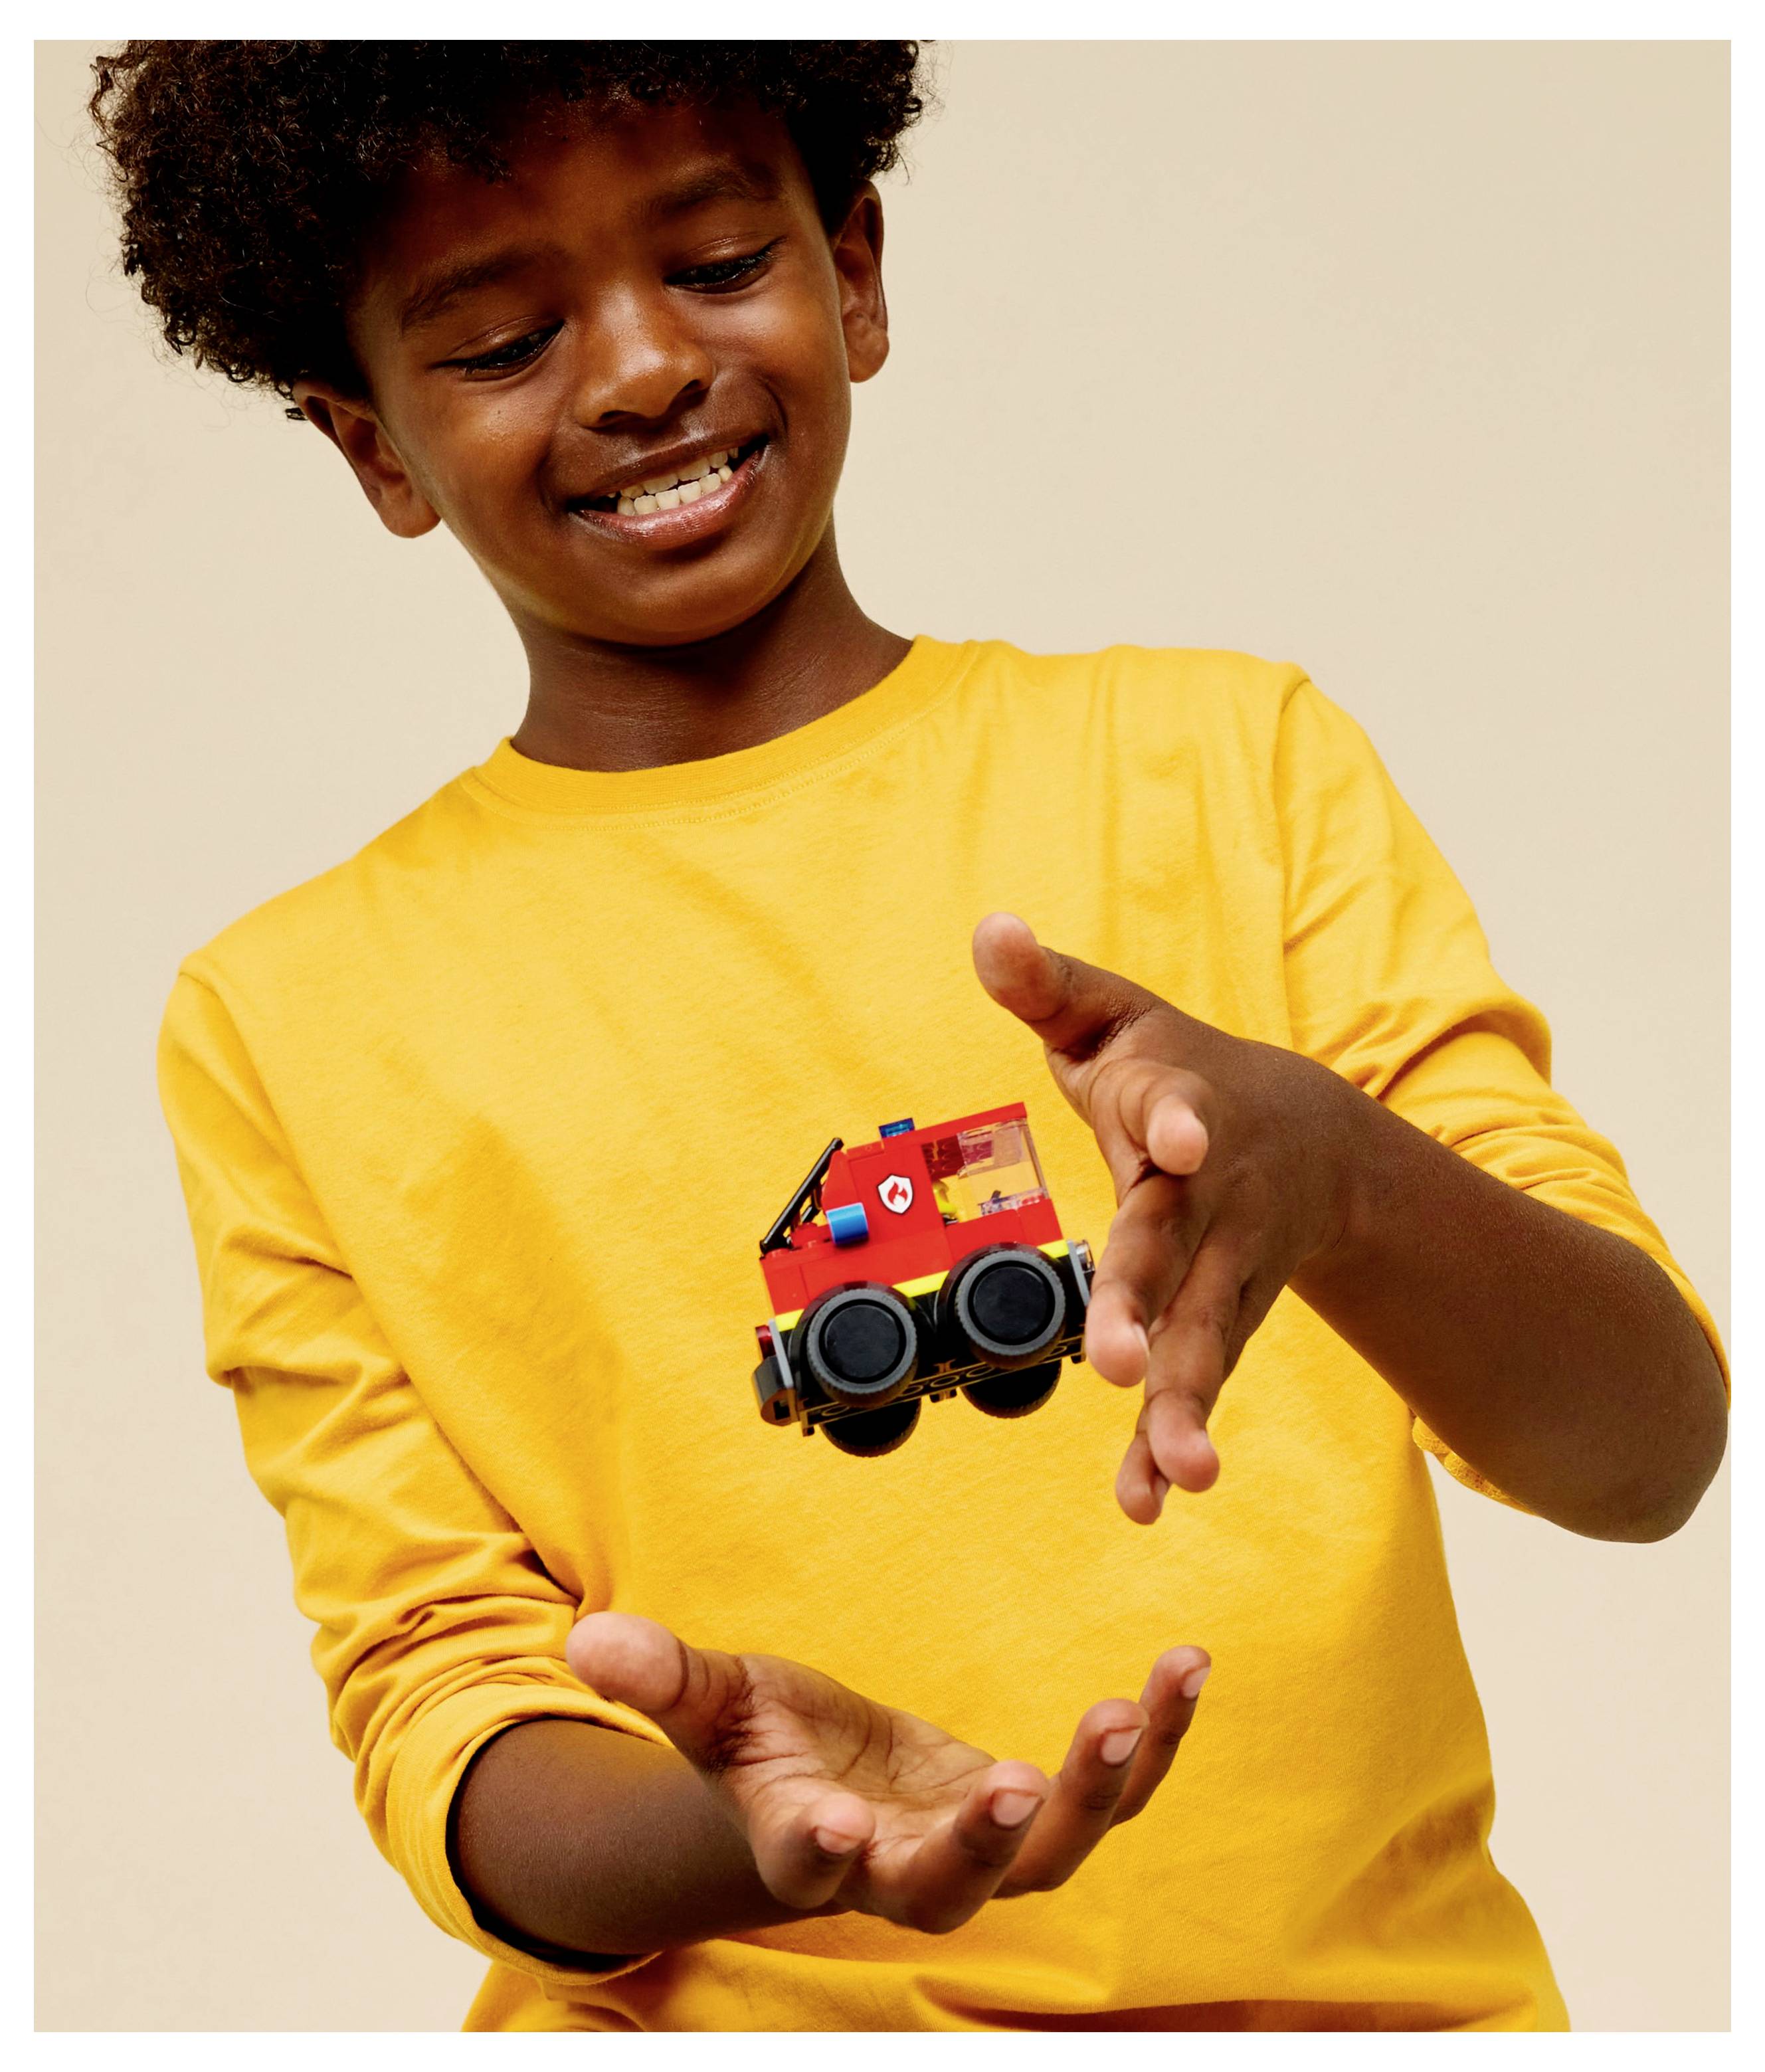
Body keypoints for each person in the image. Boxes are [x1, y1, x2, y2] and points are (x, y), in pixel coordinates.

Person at [96, 40, 1728, 2033]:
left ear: (850, 272)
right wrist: (746, 1828)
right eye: (508, 337)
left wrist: (1340, 1176)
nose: (633, 371)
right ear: (373, 453)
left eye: (709, 261)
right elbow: (437, 1690)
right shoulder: (290, 1015)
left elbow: (1640, 1449)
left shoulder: (1224, 766)